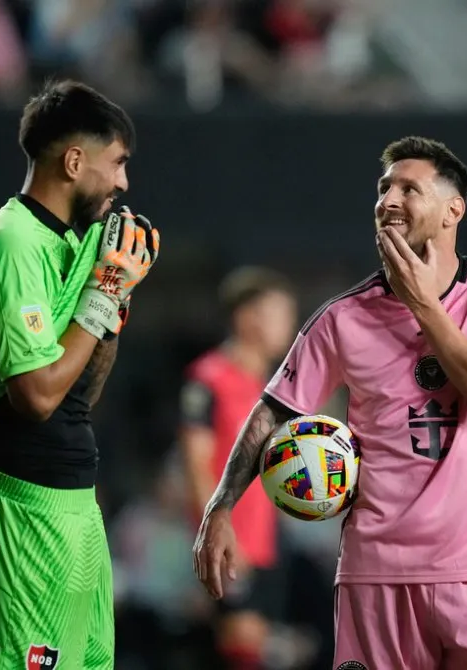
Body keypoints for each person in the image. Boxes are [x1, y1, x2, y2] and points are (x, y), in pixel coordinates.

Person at [193, 136, 467, 669]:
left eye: (409, 188)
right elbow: (274, 412)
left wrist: (423, 303)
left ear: (454, 210)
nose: (389, 200)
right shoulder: (341, 318)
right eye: (384, 188)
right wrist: (220, 508)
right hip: (376, 578)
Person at [0, 79, 160, 669]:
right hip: (22, 513)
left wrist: (114, 305)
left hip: (76, 508)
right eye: (117, 163)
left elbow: (80, 392)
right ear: (74, 161)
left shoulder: (78, 243)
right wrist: (104, 291)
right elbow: (37, 397)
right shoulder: (10, 246)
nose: (124, 183)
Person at [179, 267, 298, 669]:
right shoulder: (208, 379)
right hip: (234, 543)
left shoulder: (271, 388)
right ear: (248, 318)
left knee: (260, 646)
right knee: (241, 647)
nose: (289, 325)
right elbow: (196, 463)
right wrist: (217, 529)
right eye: (279, 314)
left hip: (267, 541)